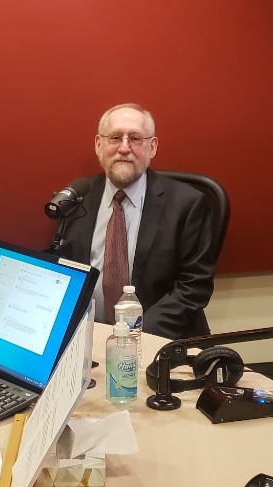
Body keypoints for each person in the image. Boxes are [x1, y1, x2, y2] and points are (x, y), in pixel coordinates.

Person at [64, 103, 218, 338]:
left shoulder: (187, 204)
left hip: (160, 339)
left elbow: (193, 288)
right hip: (89, 338)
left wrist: (133, 337)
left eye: (135, 138)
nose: (124, 148)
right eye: (115, 137)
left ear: (152, 147)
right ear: (98, 144)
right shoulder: (76, 200)